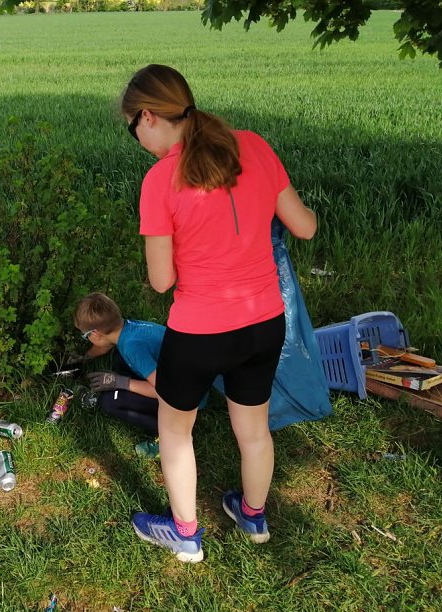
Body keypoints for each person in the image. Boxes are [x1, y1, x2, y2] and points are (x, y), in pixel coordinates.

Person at [122, 64, 317, 563]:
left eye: (132, 127)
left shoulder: (160, 179)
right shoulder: (252, 144)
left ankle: (186, 534)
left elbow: (162, 281)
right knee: (253, 429)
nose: (137, 137)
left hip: (200, 331)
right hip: (264, 321)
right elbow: (305, 227)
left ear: (147, 116)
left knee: (174, 430)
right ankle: (253, 515)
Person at [73, 293, 208, 456]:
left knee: (111, 402)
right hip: (191, 378)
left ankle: (171, 435)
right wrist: (85, 358)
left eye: (85, 335)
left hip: (185, 397)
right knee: (119, 359)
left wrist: (120, 382)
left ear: (94, 334)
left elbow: (167, 391)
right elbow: (104, 344)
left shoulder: (132, 347)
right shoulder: (128, 328)